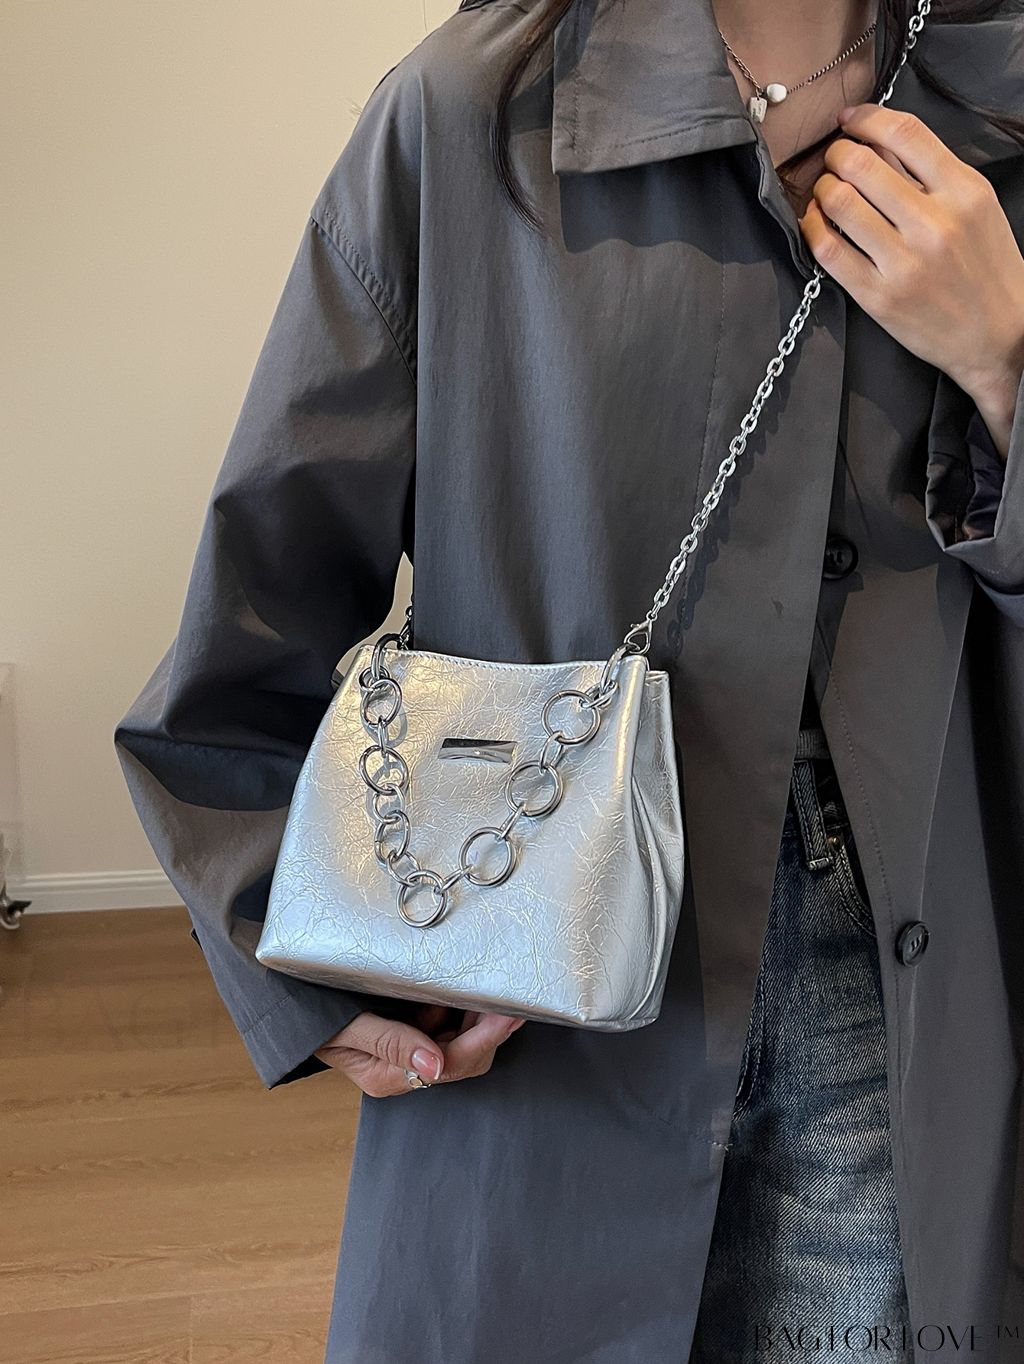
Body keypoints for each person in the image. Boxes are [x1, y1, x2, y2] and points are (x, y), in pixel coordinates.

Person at [113, 0, 1024, 1359]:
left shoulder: (997, 99)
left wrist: (1010, 362)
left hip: (910, 1024)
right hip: (539, 1006)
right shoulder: (469, 118)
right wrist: (299, 965)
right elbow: (256, 611)